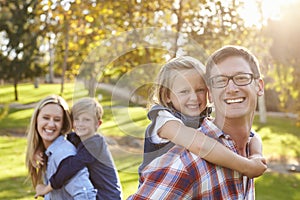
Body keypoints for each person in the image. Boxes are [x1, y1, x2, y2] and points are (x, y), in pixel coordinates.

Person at [128, 45, 267, 199]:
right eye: (221, 81)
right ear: (167, 95)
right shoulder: (164, 120)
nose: (194, 98)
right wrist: (246, 166)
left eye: (199, 90)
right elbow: (199, 143)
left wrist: (255, 156)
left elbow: (254, 136)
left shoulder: (238, 145)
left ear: (208, 93)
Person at [34, 97, 122, 199]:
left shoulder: (95, 144)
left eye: (86, 120)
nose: (80, 124)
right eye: (76, 119)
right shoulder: (76, 138)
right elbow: (54, 142)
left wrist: (47, 188)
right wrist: (39, 151)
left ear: (98, 124)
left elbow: (71, 166)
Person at [25, 95, 96, 199]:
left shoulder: (63, 153)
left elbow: (86, 196)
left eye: (57, 120)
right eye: (46, 118)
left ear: (63, 124)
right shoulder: (48, 153)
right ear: (36, 120)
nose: (51, 124)